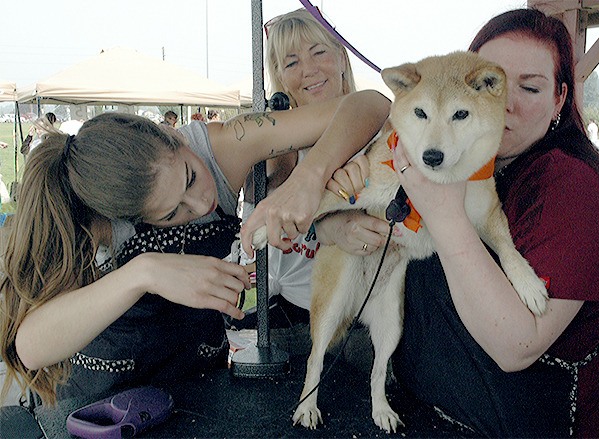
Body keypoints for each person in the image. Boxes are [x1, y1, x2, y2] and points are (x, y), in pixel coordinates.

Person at [0, 90, 390, 406]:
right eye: (172, 213)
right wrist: (144, 273)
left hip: (200, 388)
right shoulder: (88, 218)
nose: (202, 203)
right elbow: (30, 347)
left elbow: (370, 104)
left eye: (189, 176)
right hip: (100, 403)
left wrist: (308, 177)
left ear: (176, 138)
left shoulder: (219, 148)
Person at [387, 9, 599, 438]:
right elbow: (369, 106)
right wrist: (330, 214)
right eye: (483, 83)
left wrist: (444, 214)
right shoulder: (472, 160)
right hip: (440, 415)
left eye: (529, 87)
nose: (502, 102)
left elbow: (516, 345)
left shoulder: (575, 187)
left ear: (559, 100)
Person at [237, 9, 389, 344]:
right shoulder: (277, 145)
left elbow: (377, 105)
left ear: (340, 57)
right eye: (291, 63)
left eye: (318, 52)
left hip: (367, 318)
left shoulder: (381, 134)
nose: (309, 70)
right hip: (286, 317)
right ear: (279, 75)